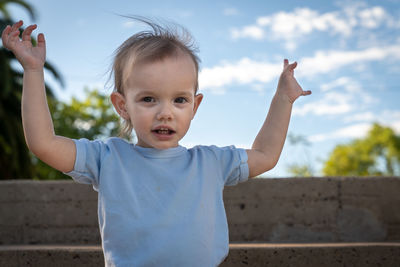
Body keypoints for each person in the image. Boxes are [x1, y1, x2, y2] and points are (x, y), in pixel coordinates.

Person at [2, 18, 311, 267]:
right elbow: (43, 143)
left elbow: (265, 154)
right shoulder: (107, 158)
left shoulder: (210, 163)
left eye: (179, 100)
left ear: (195, 105)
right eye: (148, 99)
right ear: (122, 105)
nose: (165, 113)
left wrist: (283, 99)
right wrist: (33, 70)